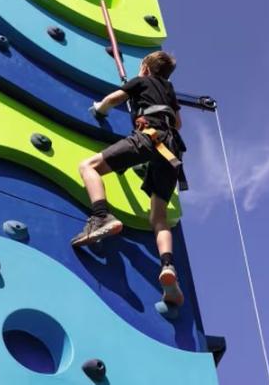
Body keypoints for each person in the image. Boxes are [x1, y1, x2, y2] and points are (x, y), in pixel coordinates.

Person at [71, 50, 185, 306]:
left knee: (88, 166)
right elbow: (177, 123)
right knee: (158, 217)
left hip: (148, 137)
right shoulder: (169, 90)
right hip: (172, 152)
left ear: (144, 68)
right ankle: (168, 267)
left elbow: (113, 99)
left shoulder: (141, 81)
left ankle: (101, 216)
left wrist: (100, 109)